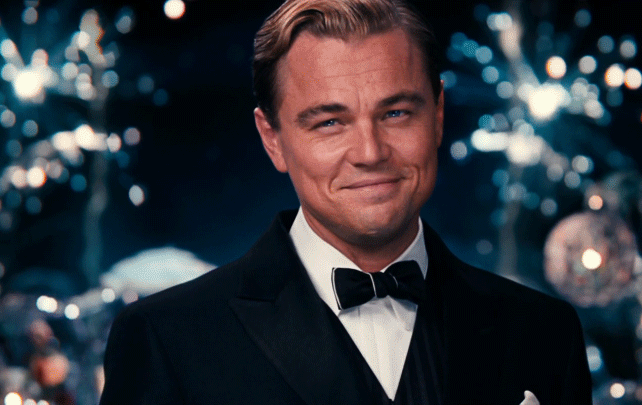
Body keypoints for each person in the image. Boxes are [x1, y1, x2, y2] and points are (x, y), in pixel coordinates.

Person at [99, 0, 593, 404]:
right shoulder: (165, 340)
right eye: (330, 122)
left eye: (396, 113)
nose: (370, 153)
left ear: (438, 114)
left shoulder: (544, 333)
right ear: (272, 138)